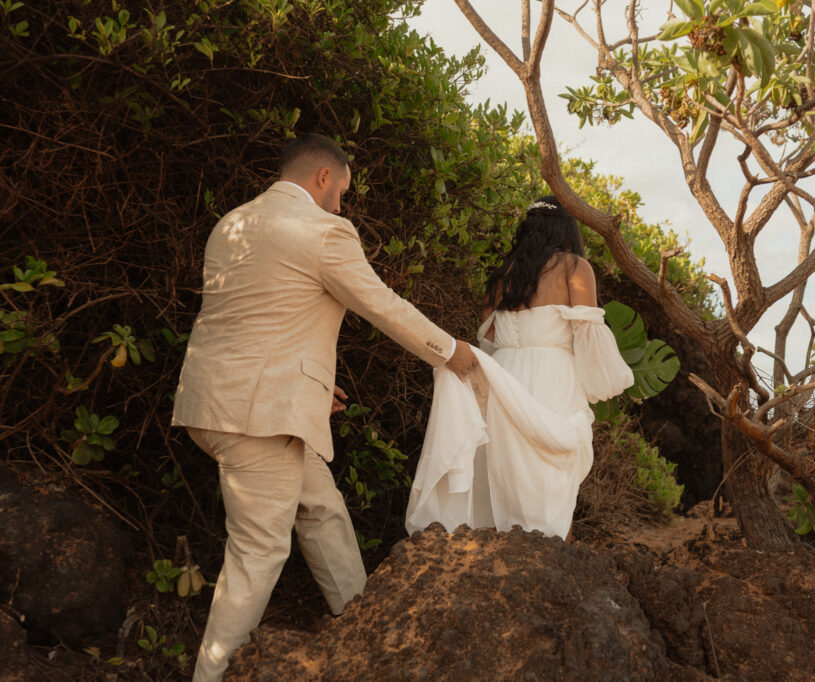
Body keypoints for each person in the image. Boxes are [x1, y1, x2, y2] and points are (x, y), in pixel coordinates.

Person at [172, 133, 477, 681]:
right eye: (342, 190)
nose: (342, 203)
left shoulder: (231, 224)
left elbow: (259, 318)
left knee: (321, 507)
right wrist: (451, 352)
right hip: (258, 417)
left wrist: (306, 387)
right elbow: (383, 306)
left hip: (211, 402)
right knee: (258, 553)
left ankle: (363, 626)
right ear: (322, 177)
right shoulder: (322, 230)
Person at [406, 195, 633, 539]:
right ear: (566, 229)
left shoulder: (502, 277)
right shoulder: (574, 268)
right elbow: (588, 333)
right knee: (554, 477)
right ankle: (555, 566)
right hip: (554, 377)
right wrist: (602, 382)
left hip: (506, 378)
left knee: (508, 475)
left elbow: (490, 341)